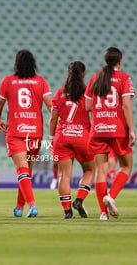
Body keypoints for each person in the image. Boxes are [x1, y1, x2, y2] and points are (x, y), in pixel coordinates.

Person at [0, 49, 52, 218]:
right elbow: (50, 107)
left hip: (16, 131)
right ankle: (19, 207)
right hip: (35, 132)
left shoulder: (8, 81)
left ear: (16, 64)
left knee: (22, 170)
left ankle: (32, 205)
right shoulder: (41, 82)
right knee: (26, 170)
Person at [85, 47, 136, 220]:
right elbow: (126, 105)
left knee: (101, 170)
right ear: (119, 61)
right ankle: (111, 196)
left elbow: (86, 107)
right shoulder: (124, 78)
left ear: (105, 61)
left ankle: (103, 213)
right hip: (117, 129)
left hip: (98, 129)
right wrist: (132, 129)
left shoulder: (95, 78)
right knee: (126, 166)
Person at [49, 61, 95, 219]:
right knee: (89, 169)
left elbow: (53, 119)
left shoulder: (60, 93)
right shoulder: (88, 93)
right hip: (82, 135)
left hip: (62, 136)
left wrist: (51, 138)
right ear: (83, 74)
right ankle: (79, 199)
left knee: (64, 175)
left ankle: (67, 211)